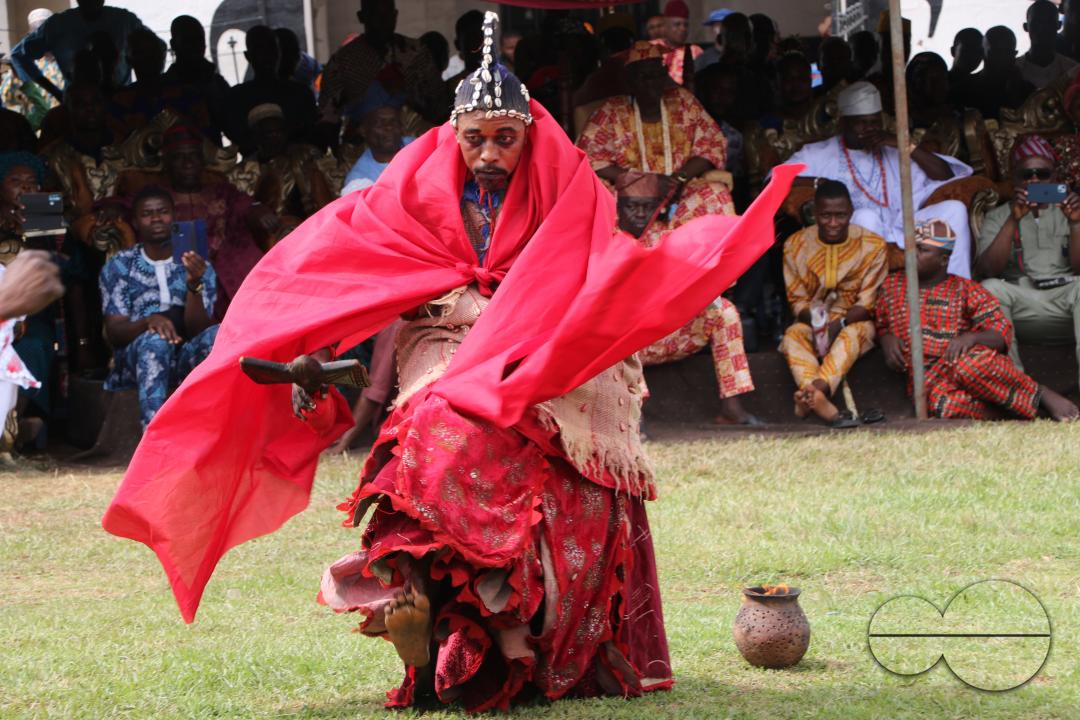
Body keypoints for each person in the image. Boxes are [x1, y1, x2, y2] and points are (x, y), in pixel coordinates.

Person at [102, 10, 797, 712]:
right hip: (443, 336)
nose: (490, 154)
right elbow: (336, 270)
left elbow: (599, 273)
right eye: (476, 141)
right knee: (440, 420)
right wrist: (314, 347)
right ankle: (460, 614)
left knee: (516, 427)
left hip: (546, 343)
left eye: (505, 140)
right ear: (452, 137)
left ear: (528, 135)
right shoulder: (410, 193)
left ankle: (505, 617)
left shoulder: (569, 186)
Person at [877, 219, 1078, 421]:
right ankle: (1016, 413)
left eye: (922, 250)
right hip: (928, 379)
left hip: (960, 364)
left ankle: (1040, 393)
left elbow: (1001, 333)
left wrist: (971, 339)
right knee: (944, 406)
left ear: (944, 259)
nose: (912, 255)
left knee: (969, 365)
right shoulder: (891, 286)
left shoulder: (966, 289)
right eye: (910, 248)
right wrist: (886, 339)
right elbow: (880, 323)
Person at [786, 81, 975, 278]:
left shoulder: (894, 148)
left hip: (903, 226)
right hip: (857, 231)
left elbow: (945, 175)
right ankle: (872, 302)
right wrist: (817, 183)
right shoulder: (818, 153)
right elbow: (775, 179)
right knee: (867, 216)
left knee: (955, 209)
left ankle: (956, 291)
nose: (870, 129)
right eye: (862, 122)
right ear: (843, 123)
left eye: (875, 122)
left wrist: (904, 145)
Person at [617, 171, 761, 425]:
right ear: (618, 207)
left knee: (723, 310)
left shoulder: (667, 236)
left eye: (648, 207)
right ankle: (633, 417)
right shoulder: (607, 237)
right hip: (625, 343)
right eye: (632, 207)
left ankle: (731, 407)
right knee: (617, 319)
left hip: (672, 331)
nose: (640, 214)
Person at [577, 42, 734, 230]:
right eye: (644, 76)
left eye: (657, 74)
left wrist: (678, 179)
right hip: (630, 198)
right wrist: (642, 182)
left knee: (716, 193)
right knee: (597, 199)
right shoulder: (611, 112)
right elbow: (588, 158)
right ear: (630, 81)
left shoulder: (683, 102)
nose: (652, 82)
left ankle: (699, 255)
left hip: (680, 192)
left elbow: (712, 144)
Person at [99, 186, 218, 428]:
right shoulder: (120, 266)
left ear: (174, 216)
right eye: (147, 213)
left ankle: (221, 433)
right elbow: (115, 334)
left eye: (162, 211)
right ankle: (154, 443)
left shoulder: (196, 263)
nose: (155, 218)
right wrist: (148, 322)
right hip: (137, 360)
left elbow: (199, 330)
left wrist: (194, 283)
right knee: (155, 343)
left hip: (184, 357)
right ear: (135, 221)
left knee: (218, 335)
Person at [976, 135, 1080, 390]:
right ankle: (1017, 387)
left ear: (1055, 178)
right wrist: (1013, 219)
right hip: (1021, 304)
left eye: (1042, 174)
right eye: (1026, 175)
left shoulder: (1071, 210)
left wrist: (1076, 223)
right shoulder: (997, 215)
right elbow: (986, 270)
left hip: (1065, 303)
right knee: (990, 287)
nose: (1034, 180)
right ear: (1014, 180)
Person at [780, 181, 888, 424]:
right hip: (812, 320)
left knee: (851, 335)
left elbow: (868, 303)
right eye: (826, 216)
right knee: (792, 336)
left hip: (854, 321)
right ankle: (818, 399)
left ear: (851, 213)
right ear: (814, 213)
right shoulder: (794, 245)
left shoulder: (872, 245)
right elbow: (797, 301)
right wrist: (819, 327)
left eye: (840, 216)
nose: (833, 223)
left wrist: (836, 326)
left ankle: (814, 392)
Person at [317, 0, 447, 142]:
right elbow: (328, 118)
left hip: (415, 142)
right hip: (361, 149)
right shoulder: (344, 61)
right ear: (361, 17)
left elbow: (440, 105)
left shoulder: (416, 53)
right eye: (375, 15)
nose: (382, 22)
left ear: (395, 15)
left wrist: (407, 98)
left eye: (387, 15)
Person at [9, 0, 147, 101]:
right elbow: (19, 55)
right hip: (77, 108)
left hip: (120, 101)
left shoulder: (125, 21)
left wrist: (142, 88)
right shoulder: (59, 25)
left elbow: (155, 49)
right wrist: (55, 91)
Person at [229, 104, 335, 231]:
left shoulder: (306, 156)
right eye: (270, 134)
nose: (277, 137)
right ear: (257, 137)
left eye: (280, 132)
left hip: (310, 229)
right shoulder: (241, 173)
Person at [223, 26, 319, 156]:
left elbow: (311, 135)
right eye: (260, 50)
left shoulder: (301, 93)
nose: (267, 56)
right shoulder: (236, 98)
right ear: (248, 56)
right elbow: (239, 138)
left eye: (272, 49)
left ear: (279, 52)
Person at [341, 85, 414, 194]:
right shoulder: (359, 183)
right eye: (379, 123)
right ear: (363, 130)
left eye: (393, 121)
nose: (388, 127)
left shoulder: (416, 144)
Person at [974, 27, 1035, 120]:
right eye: (996, 52)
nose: (1001, 58)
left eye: (1006, 52)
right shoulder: (964, 90)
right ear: (982, 53)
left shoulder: (1028, 92)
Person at [1018, 0, 1079, 90]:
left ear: (1058, 25)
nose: (1042, 28)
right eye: (1037, 22)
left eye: (1049, 22)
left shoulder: (1073, 71)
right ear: (1026, 27)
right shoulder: (1013, 70)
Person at [653, 0, 702, 86]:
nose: (683, 29)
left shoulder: (695, 51)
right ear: (665, 25)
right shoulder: (651, 48)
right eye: (677, 24)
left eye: (685, 25)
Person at [444, 10, 484, 91]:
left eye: (482, 38)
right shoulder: (449, 89)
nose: (479, 45)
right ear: (458, 44)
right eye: (472, 39)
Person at [948, 28, 983, 111]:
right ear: (953, 51)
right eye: (967, 50)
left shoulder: (979, 87)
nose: (973, 56)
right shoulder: (939, 85)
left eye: (978, 51)